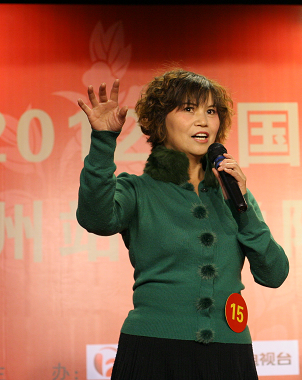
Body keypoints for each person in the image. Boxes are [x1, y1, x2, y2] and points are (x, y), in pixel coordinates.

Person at [76, 69, 289, 380]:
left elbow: (274, 274)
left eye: (211, 111)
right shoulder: (138, 190)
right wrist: (103, 141)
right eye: (189, 109)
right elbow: (95, 218)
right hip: (154, 350)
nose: (203, 121)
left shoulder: (235, 193)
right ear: (160, 121)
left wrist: (242, 207)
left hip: (229, 352)